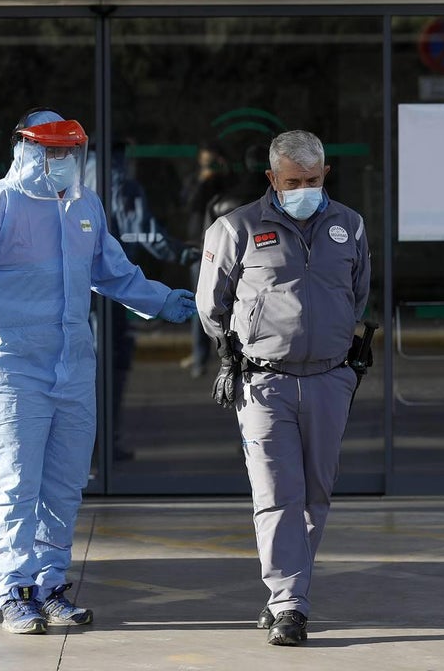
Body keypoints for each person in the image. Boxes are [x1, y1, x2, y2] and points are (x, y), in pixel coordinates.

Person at [0, 108, 196, 635]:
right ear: (24, 150)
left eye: (69, 152)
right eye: (51, 151)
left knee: (64, 484)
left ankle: (51, 585)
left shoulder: (84, 206)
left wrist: (162, 300)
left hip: (72, 364)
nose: (62, 161)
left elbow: (112, 272)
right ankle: (13, 590)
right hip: (8, 366)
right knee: (14, 482)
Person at [195, 130, 371, 646]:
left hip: (330, 380)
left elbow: (356, 296)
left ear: (326, 175)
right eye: (294, 181)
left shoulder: (350, 226)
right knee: (276, 495)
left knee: (315, 495)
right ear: (272, 179)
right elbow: (211, 305)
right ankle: (289, 602)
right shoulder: (236, 227)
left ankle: (289, 589)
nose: (305, 189)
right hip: (264, 381)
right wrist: (242, 346)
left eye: (314, 180)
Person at [97, 142, 200, 460]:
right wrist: (183, 253)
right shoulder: (118, 184)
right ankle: (104, 443)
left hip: (75, 294)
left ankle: (84, 444)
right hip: (111, 292)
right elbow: (143, 231)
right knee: (111, 364)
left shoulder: (69, 184)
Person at [178, 141, 233, 378]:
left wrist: (223, 175)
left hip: (224, 247)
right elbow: (188, 204)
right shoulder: (195, 180)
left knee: (228, 304)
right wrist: (203, 180)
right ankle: (200, 357)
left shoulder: (227, 181)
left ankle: (227, 355)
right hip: (199, 247)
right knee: (201, 305)